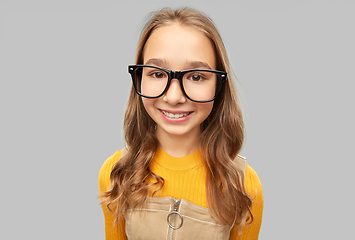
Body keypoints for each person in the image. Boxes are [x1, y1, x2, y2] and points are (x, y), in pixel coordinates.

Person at [99, 7, 263, 240]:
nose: (174, 97)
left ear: (218, 85)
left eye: (196, 77)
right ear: (140, 77)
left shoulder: (243, 184)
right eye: (157, 74)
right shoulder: (117, 173)